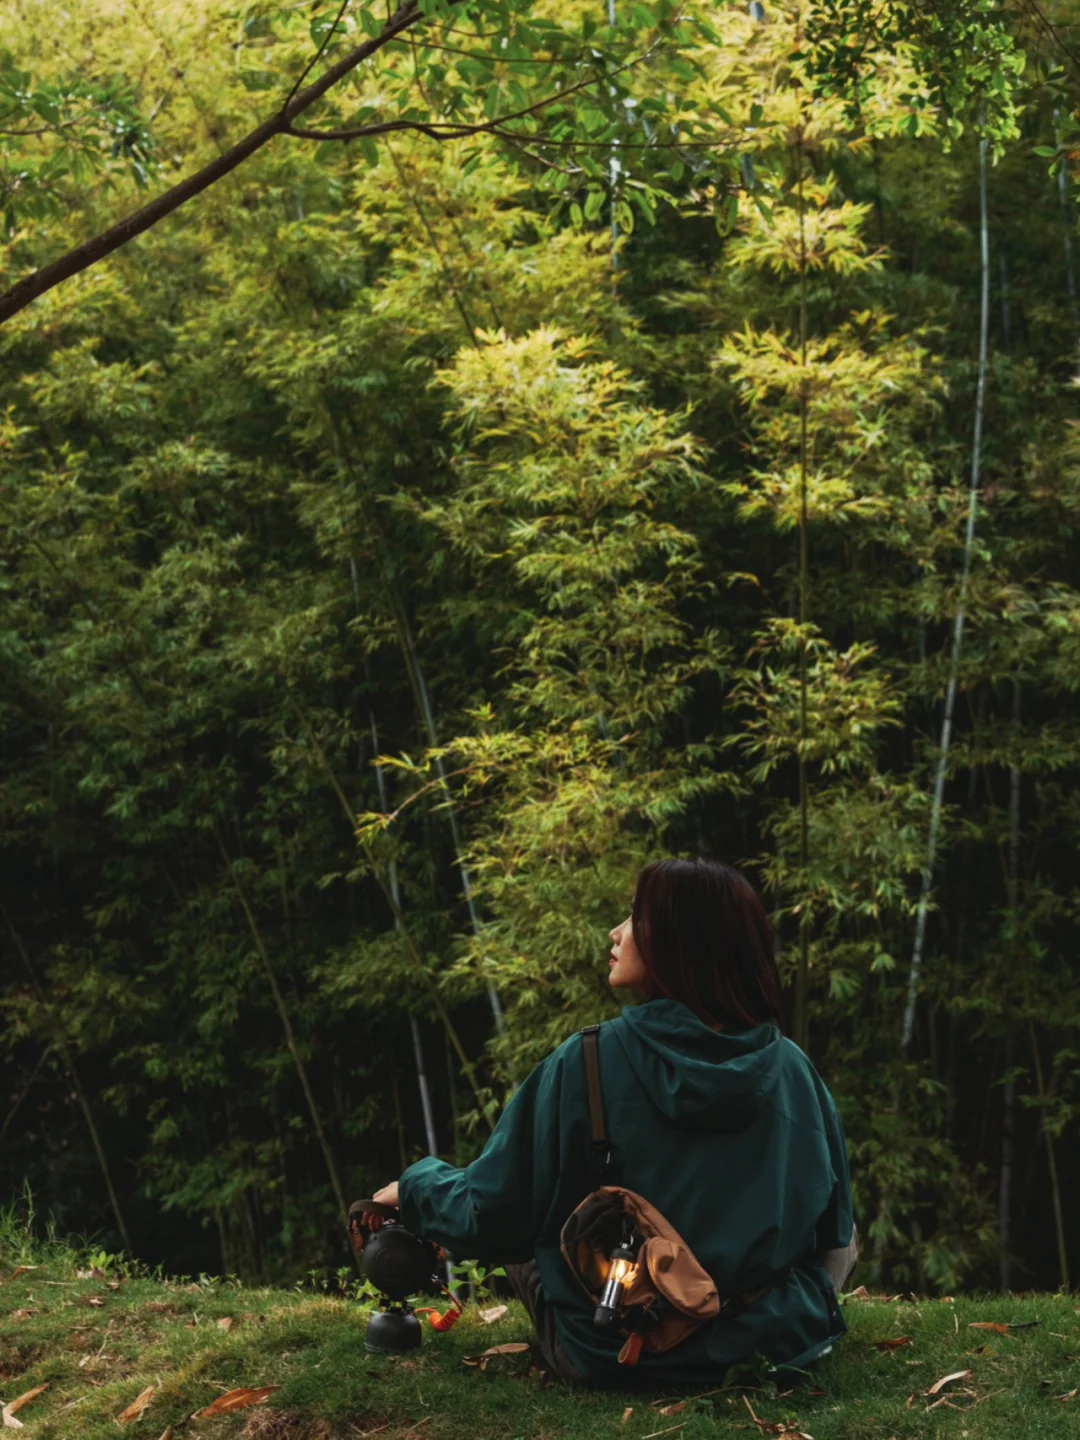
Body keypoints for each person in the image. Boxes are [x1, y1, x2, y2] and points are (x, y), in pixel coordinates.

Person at [367, 858, 857, 1389]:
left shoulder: (587, 1062)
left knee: (535, 1217)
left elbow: (494, 1213)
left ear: (679, 944)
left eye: (636, 918)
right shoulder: (792, 1070)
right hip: (773, 1346)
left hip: (618, 1350)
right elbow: (835, 1233)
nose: (616, 932)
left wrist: (417, 1187)